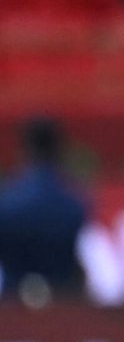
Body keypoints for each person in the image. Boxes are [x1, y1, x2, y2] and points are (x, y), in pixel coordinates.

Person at [0, 117, 88, 305]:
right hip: (63, 301)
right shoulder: (76, 203)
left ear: (24, 149)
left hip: (12, 303)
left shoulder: (7, 203)